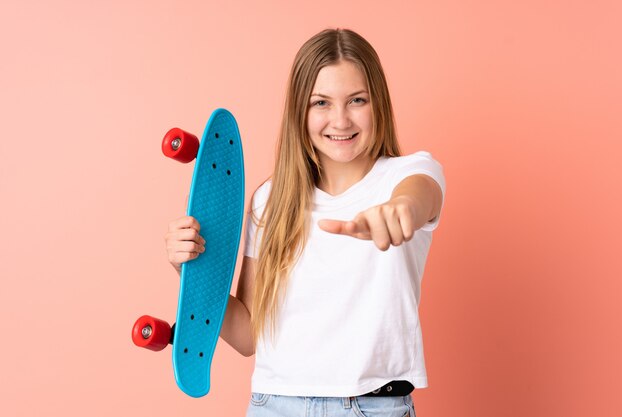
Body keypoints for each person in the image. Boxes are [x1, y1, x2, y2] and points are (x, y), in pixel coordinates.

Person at [165, 28, 445, 417]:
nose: (340, 119)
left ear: (377, 102)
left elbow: (420, 197)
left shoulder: (406, 175)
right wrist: (191, 271)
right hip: (274, 405)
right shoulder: (271, 200)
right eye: (321, 103)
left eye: (357, 100)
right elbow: (248, 335)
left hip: (375, 406)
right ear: (300, 110)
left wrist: (400, 210)